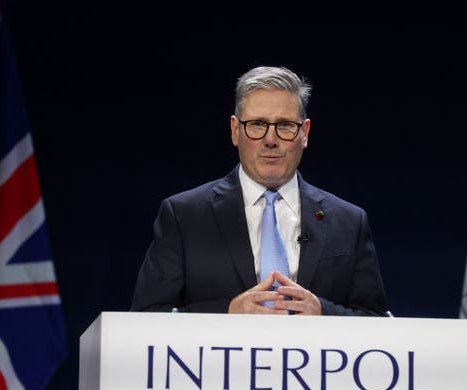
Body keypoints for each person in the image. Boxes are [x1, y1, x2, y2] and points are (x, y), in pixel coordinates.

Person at [131, 65, 388, 316]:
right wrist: (227, 313)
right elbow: (147, 315)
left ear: (305, 133)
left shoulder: (349, 222)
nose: (270, 139)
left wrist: (323, 312)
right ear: (235, 130)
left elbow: (376, 320)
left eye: (285, 125)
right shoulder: (183, 216)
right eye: (257, 124)